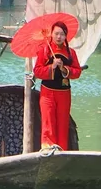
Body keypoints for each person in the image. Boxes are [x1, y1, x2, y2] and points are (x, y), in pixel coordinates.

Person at [32, 21, 82, 150]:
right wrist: (52, 67)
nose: (59, 37)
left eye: (62, 34)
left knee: (62, 122)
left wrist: (64, 69)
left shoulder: (71, 53)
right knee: (48, 121)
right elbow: (37, 71)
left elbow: (77, 72)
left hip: (64, 92)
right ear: (51, 35)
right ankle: (48, 148)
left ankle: (62, 149)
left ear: (65, 36)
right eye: (56, 34)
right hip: (47, 92)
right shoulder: (44, 51)